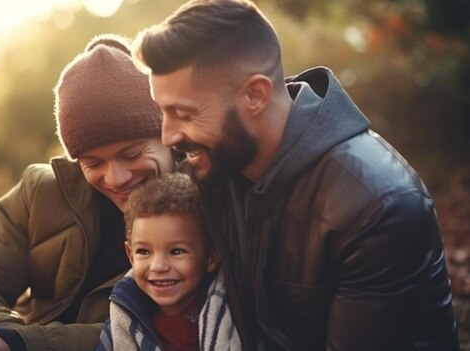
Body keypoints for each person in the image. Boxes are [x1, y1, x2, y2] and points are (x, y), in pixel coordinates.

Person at [133, 0, 460, 350]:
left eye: (184, 113)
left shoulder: (378, 207)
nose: (168, 136)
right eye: (164, 113)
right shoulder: (217, 167)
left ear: (254, 95)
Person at [0, 34, 174, 351]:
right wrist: (3, 334)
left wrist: (23, 343)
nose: (116, 177)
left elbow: (160, 333)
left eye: (132, 154)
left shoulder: (205, 210)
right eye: (93, 162)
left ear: (166, 135)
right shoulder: (40, 191)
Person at [96, 173, 241, 351]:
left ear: (212, 257)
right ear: (130, 255)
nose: (158, 266)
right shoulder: (126, 318)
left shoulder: (233, 315)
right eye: (144, 251)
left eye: (176, 251)